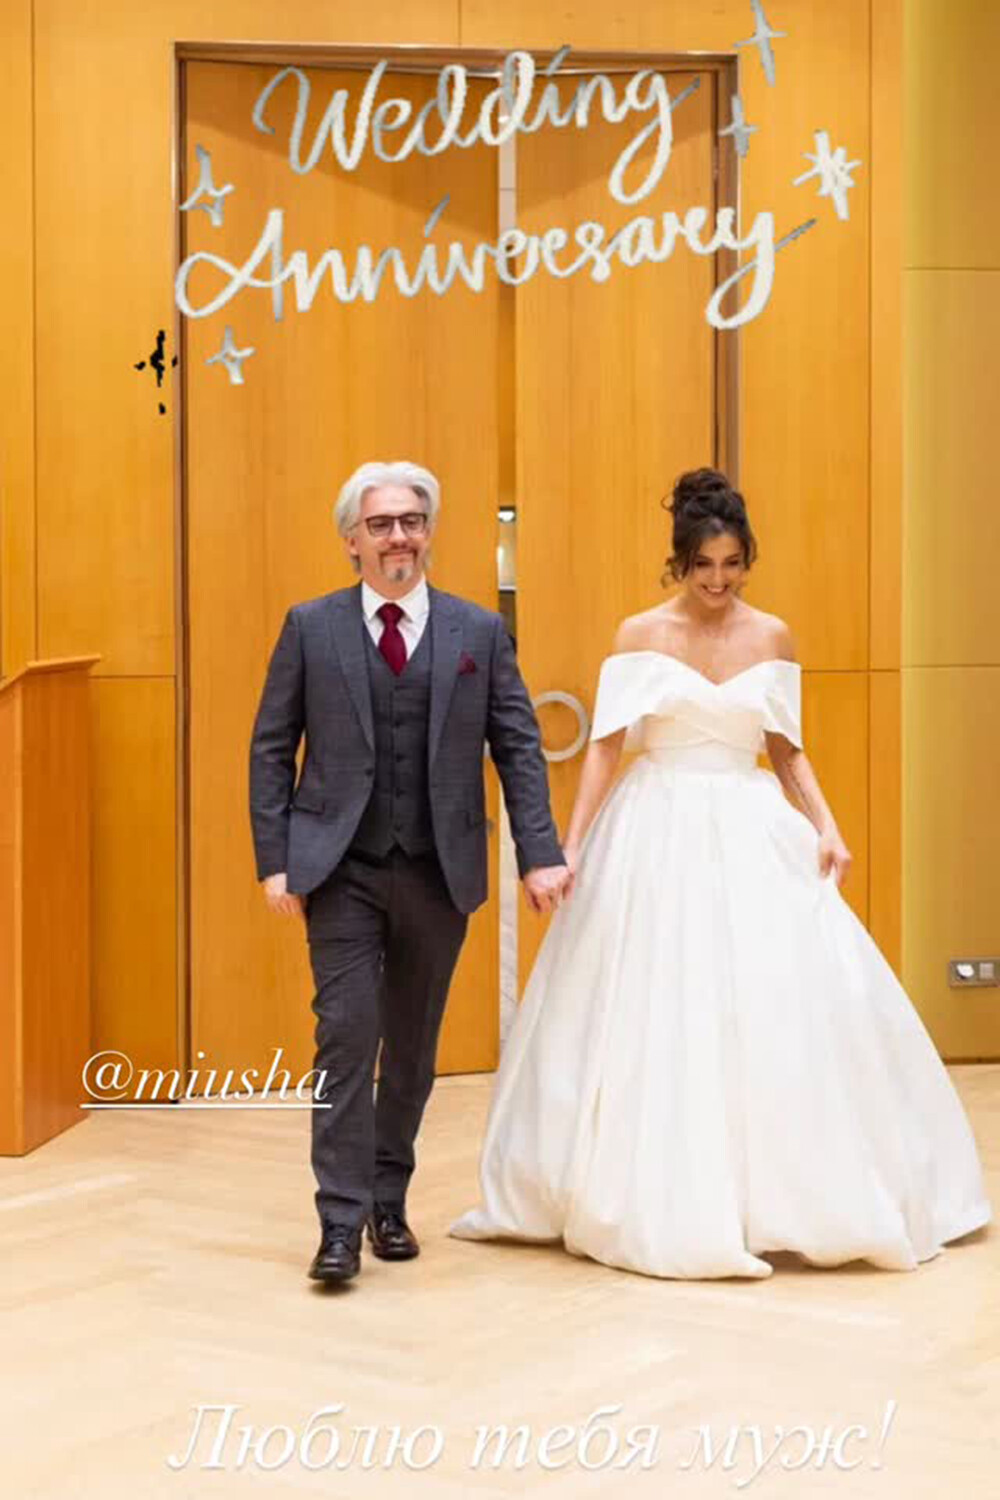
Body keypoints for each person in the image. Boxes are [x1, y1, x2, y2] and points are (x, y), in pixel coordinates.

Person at [449, 467, 992, 1279]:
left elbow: (787, 748)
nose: (717, 580)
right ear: (680, 561)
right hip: (655, 823)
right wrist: (571, 844)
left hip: (748, 818)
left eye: (732, 564)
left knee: (772, 998)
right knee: (654, 999)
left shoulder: (772, 637)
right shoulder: (639, 634)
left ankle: (782, 1192)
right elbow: (606, 747)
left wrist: (828, 826)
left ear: (747, 560)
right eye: (703, 565)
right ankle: (637, 1187)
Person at [249, 459, 568, 1285]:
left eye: (412, 522)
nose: (399, 537)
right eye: (382, 524)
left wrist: (541, 853)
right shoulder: (310, 627)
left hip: (437, 872)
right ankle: (339, 1220)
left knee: (414, 1050)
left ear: (428, 533)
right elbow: (272, 747)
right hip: (341, 871)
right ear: (351, 540)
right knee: (347, 1037)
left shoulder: (478, 633)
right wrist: (276, 860)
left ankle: (387, 1202)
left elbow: (518, 746)